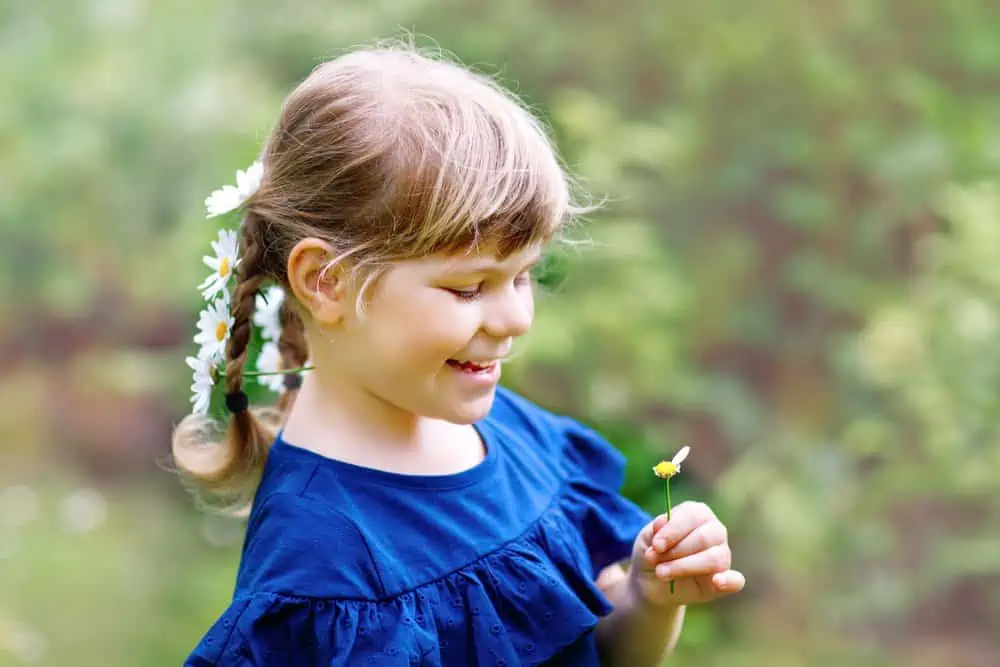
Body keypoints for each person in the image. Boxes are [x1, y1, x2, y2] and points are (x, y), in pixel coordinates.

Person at [174, 43, 744, 667]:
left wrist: (648, 598)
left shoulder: (513, 432)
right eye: (468, 288)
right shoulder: (323, 569)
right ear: (325, 281)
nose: (517, 319)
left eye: (524, 276)